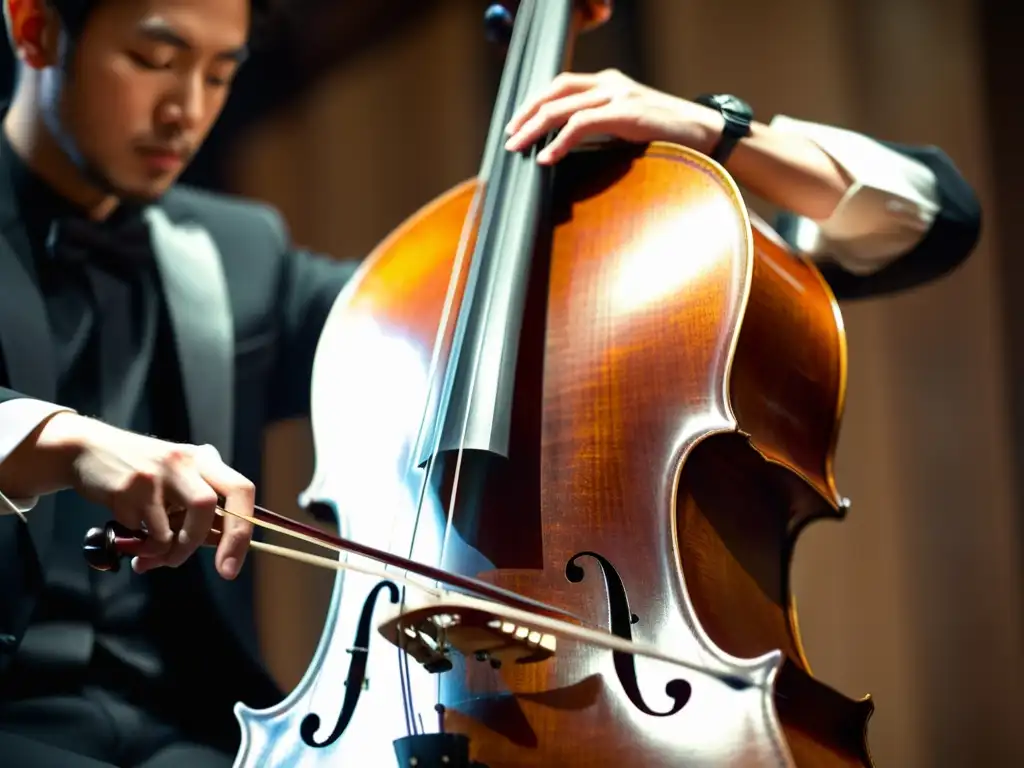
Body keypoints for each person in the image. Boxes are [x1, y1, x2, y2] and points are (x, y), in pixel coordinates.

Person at [0, 0, 981, 766]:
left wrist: (719, 135)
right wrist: (62, 441)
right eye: (154, 60)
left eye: (221, 72)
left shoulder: (237, 254)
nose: (188, 109)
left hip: (206, 742)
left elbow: (925, 224)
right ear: (35, 26)